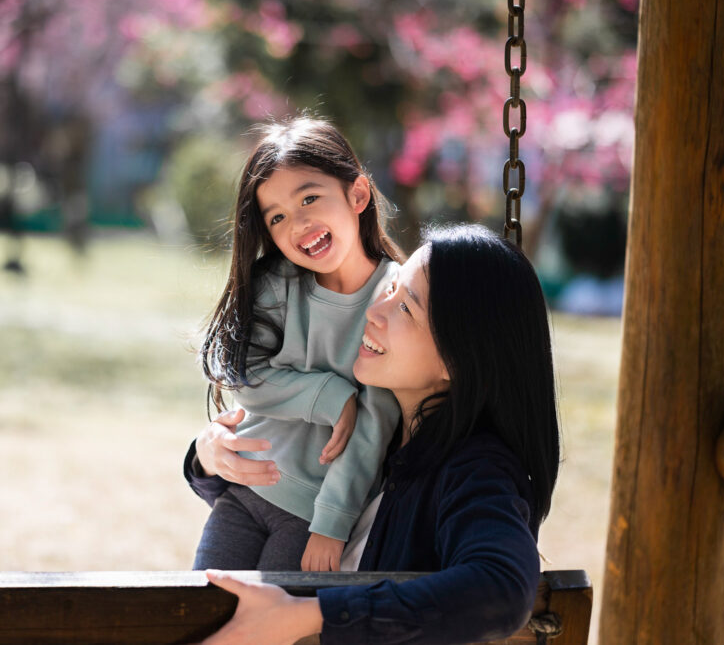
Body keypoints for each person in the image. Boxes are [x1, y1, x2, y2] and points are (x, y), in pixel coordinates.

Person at [185, 223, 561, 644]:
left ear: (458, 360)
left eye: (406, 309)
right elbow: (270, 495)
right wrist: (206, 456)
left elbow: (501, 588)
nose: (374, 311)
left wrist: (307, 616)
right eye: (392, 288)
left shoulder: (475, 471)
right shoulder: (381, 431)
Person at [194, 116, 405, 572]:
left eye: (310, 197)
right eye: (278, 216)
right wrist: (331, 397)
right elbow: (244, 375)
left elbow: (374, 428)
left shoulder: (393, 300)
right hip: (243, 491)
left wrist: (331, 525)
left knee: (262, 629)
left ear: (358, 195)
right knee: (198, 616)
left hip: (309, 516)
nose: (300, 222)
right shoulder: (277, 285)